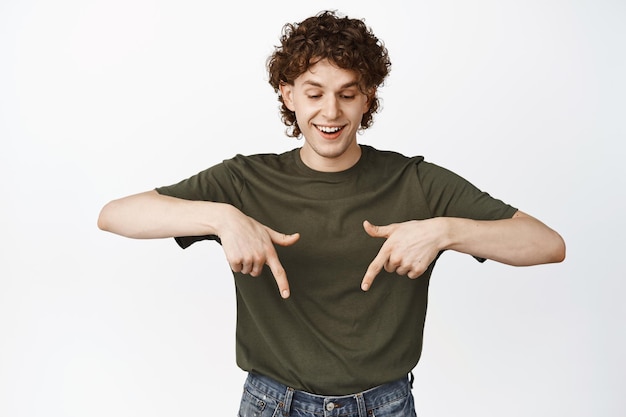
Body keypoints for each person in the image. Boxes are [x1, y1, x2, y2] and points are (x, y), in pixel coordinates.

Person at [98, 10, 565, 417]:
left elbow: (547, 244)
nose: (331, 111)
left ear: (368, 97)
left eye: (348, 93)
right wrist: (222, 219)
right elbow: (116, 214)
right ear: (288, 95)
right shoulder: (242, 181)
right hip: (271, 402)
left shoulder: (416, 182)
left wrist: (444, 231)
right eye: (314, 92)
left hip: (385, 404)